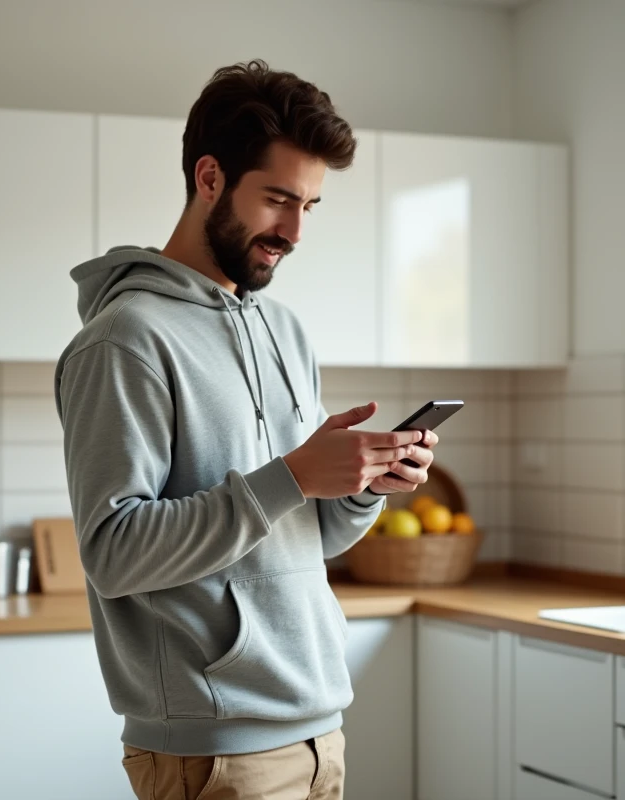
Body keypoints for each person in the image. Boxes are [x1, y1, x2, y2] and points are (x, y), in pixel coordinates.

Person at [54, 59, 440, 800]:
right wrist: (291, 477)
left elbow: (300, 536)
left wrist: (358, 488)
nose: (294, 231)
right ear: (208, 179)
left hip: (318, 730)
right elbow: (111, 552)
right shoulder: (125, 339)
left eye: (311, 206)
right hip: (216, 750)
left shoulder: (284, 332)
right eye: (277, 200)